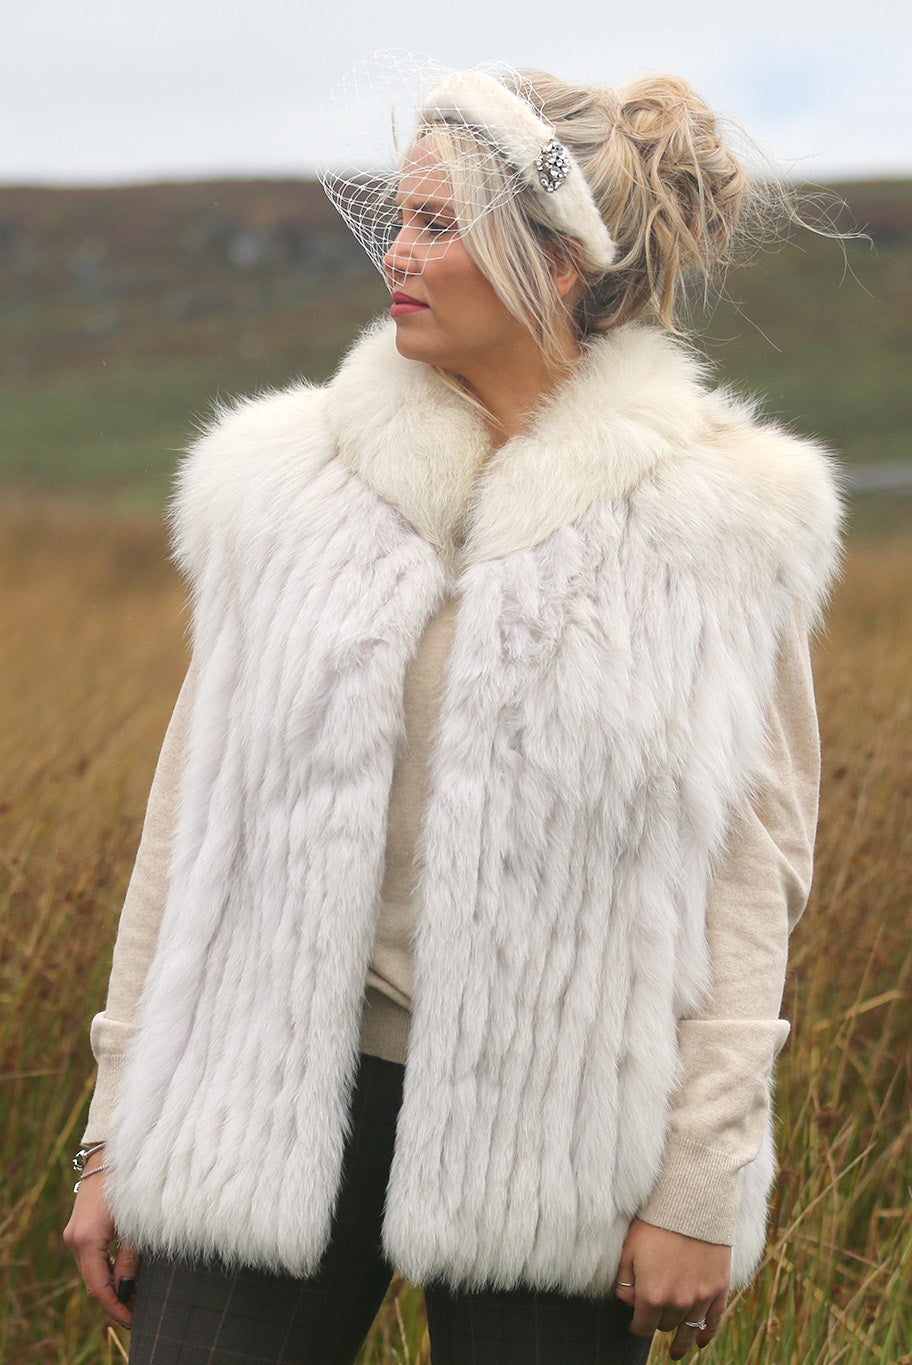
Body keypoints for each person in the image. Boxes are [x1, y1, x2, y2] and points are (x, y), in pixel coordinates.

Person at [64, 56, 842, 1364]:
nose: (398, 256)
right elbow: (191, 829)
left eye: (440, 225)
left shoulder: (723, 522)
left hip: (563, 1132)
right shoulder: (288, 486)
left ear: (562, 265)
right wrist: (115, 1121)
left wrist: (703, 1178)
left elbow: (752, 870)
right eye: (402, 219)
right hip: (253, 1101)